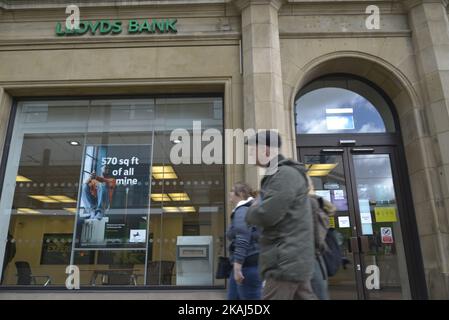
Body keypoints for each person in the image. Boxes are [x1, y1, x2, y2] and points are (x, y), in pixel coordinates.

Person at [245, 130, 317, 300]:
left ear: (267, 151)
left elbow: (267, 214)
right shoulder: (279, 174)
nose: (250, 155)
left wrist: (250, 210)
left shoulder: (284, 175)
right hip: (291, 259)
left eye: (252, 150)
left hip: (285, 261)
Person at [226, 182, 262, 300]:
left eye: (232, 190)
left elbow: (242, 239)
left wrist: (237, 268)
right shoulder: (248, 209)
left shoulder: (242, 211)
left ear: (240, 194)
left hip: (246, 267)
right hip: (248, 265)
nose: (229, 193)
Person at [307, 175, 336, 300]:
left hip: (311, 261)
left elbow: (317, 239)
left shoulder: (310, 205)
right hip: (315, 261)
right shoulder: (318, 204)